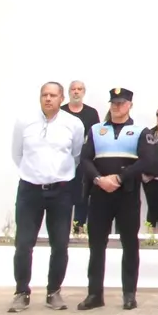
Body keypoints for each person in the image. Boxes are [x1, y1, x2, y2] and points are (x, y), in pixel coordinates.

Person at [78, 88, 158, 311]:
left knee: (130, 244)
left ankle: (129, 294)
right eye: (114, 103)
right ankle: (94, 294)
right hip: (100, 193)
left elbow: (147, 160)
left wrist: (120, 178)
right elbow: (84, 159)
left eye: (121, 103)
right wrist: (98, 179)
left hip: (127, 193)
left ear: (130, 105)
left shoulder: (140, 130)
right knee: (96, 245)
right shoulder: (96, 130)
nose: (117, 107)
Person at [9, 82, 85, 313]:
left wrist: (56, 174)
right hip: (30, 190)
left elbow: (76, 156)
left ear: (62, 98)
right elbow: (17, 154)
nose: (48, 99)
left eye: (53, 95)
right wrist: (35, 174)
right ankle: (22, 292)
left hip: (60, 191)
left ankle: (54, 291)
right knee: (23, 244)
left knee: (60, 244)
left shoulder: (73, 124)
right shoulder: (25, 122)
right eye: (45, 95)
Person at [62, 80, 100, 234]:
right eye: (73, 89)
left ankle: (78, 229)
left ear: (84, 92)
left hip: (83, 161)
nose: (76, 92)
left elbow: (95, 137)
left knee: (82, 196)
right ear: (69, 92)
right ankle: (62, 229)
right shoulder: (61, 111)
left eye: (79, 89)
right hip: (63, 160)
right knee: (63, 196)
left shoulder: (91, 113)